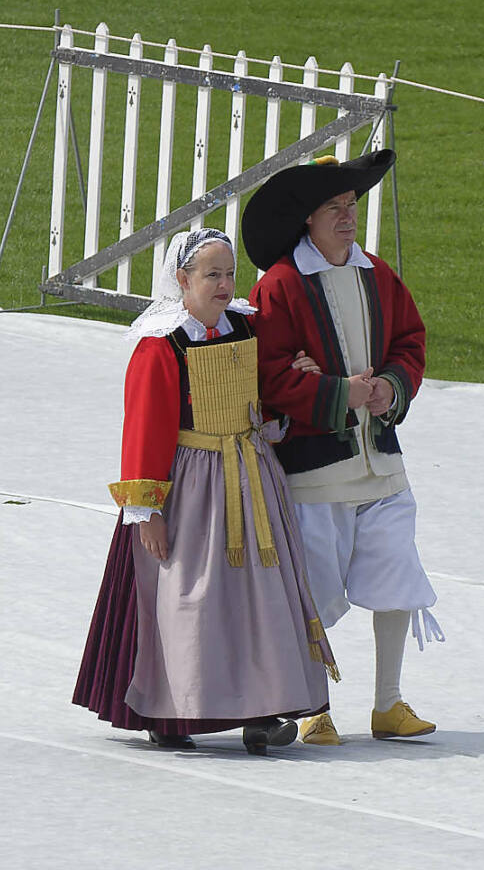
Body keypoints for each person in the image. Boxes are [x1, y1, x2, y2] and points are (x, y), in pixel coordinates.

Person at [73, 228, 339, 756]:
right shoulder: (162, 345)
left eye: (228, 273)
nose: (223, 285)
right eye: (211, 274)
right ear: (182, 280)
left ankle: (264, 709)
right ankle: (172, 710)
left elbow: (267, 390)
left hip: (251, 477)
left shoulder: (245, 327)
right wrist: (147, 512)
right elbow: (145, 426)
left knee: (261, 598)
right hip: (192, 487)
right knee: (186, 597)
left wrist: (294, 385)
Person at [243, 149, 442, 746]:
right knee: (312, 591)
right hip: (314, 472)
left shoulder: (377, 274)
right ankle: (312, 709)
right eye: (334, 207)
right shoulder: (278, 285)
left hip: (380, 462)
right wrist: (337, 391)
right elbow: (269, 376)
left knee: (397, 574)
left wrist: (390, 386)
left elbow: (410, 340)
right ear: (308, 217)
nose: (347, 217)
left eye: (351, 205)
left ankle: (388, 705)